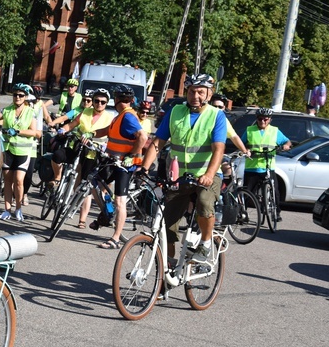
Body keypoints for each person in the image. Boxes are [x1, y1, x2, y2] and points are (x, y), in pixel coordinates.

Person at [139, 73, 227, 263]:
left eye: (201, 92)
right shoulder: (175, 112)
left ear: (209, 94)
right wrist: (144, 168)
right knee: (166, 226)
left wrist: (210, 174)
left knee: (204, 202)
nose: (195, 96)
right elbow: (158, 142)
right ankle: (166, 272)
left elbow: (219, 149)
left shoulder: (216, 115)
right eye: (192, 91)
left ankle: (205, 243)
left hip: (206, 175)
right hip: (179, 177)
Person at [83, 84, 147, 247]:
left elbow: (143, 137)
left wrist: (131, 155)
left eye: (122, 99)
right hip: (112, 161)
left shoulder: (128, 117)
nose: (121, 101)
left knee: (120, 201)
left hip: (125, 165)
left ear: (117, 99)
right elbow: (108, 131)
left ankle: (115, 238)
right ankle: (107, 212)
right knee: (94, 182)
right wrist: (92, 133)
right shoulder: (120, 116)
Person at [54, 88, 114, 228]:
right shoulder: (85, 112)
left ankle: (82, 219)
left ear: (106, 103)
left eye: (102, 102)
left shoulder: (109, 118)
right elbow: (72, 124)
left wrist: (106, 147)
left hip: (94, 153)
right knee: (59, 157)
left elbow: (111, 137)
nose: (99, 104)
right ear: (92, 102)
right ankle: (59, 184)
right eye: (96, 101)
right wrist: (64, 129)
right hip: (78, 147)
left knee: (87, 184)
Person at [0, 83, 37, 221]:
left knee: (19, 181)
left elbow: (34, 132)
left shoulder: (30, 112)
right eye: (15, 94)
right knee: (7, 180)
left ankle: (18, 209)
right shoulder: (7, 110)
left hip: (22, 151)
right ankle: (7, 210)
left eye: (21, 95)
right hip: (8, 149)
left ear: (26, 97)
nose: (17, 97)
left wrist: (18, 131)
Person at [241, 107, 291, 221]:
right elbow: (241, 144)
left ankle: (276, 213)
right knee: (247, 193)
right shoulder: (249, 130)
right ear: (256, 119)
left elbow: (287, 142)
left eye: (266, 119)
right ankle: (243, 213)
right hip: (252, 167)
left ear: (270, 120)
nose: (263, 121)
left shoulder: (275, 131)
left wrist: (286, 146)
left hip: (268, 166)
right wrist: (245, 150)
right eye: (260, 119)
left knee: (275, 191)